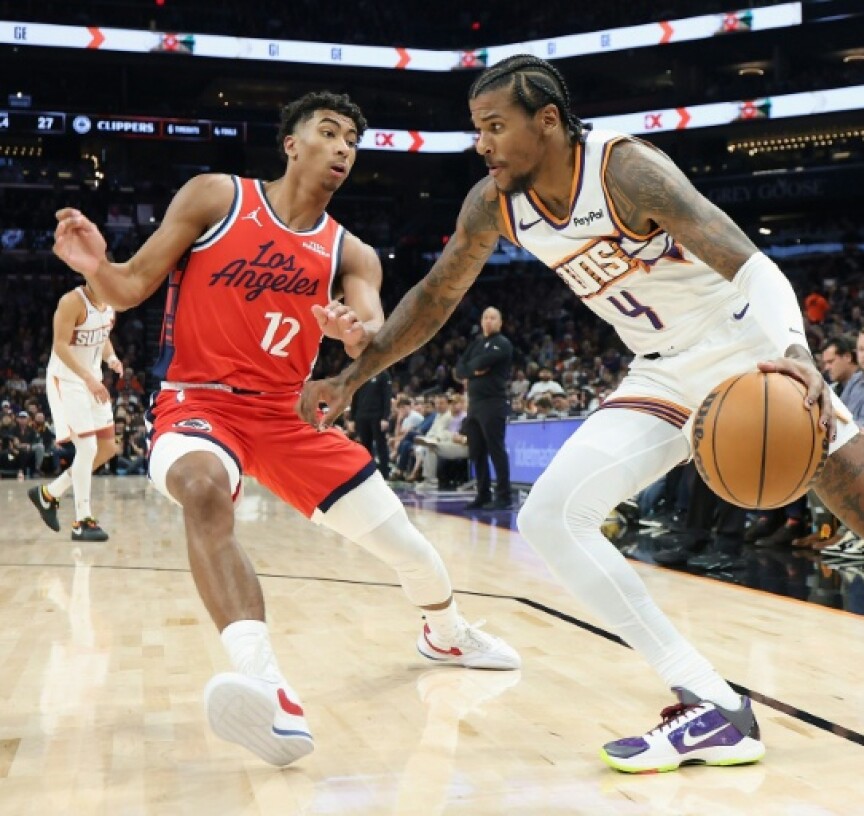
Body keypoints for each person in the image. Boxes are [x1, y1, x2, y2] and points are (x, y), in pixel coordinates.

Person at [300, 56, 864, 774]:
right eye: (478, 130)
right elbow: (436, 298)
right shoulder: (495, 204)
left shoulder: (627, 170)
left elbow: (750, 262)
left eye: (495, 127)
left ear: (547, 121)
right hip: (665, 371)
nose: (483, 145)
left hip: (750, 353)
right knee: (551, 516)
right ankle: (712, 705)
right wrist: (354, 370)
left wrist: (793, 353)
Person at [50, 91, 519, 768]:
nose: (342, 149)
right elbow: (129, 288)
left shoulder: (350, 252)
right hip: (199, 402)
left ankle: (445, 633)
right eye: (328, 133)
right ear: (292, 144)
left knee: (410, 552)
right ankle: (267, 690)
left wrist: (355, 331)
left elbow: (372, 332)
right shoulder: (216, 197)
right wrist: (98, 267)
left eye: (352, 142)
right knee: (202, 487)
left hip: (287, 414)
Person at [27, 282, 124, 541]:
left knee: (107, 449)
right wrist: (88, 379)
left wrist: (111, 358)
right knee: (88, 449)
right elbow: (60, 345)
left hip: (93, 379)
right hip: (68, 380)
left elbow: (102, 338)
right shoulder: (72, 302)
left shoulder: (110, 303)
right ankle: (83, 521)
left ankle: (49, 494)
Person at [455, 306, 514, 509]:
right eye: (485, 317)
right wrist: (473, 370)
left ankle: (504, 496)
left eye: (493, 318)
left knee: (496, 450)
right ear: (481, 321)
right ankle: (483, 494)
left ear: (500, 322)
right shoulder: (477, 343)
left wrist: (471, 368)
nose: (488, 321)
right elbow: (459, 369)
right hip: (474, 404)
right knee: (477, 452)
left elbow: (480, 362)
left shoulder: (502, 344)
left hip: (493, 403)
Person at [350, 370, 392, 477]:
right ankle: (367, 472)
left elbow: (387, 397)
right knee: (364, 446)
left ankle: (384, 472)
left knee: (381, 444)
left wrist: (385, 417)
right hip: (362, 415)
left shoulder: (383, 374)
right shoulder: (360, 374)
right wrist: (352, 418)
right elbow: (354, 396)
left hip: (377, 416)